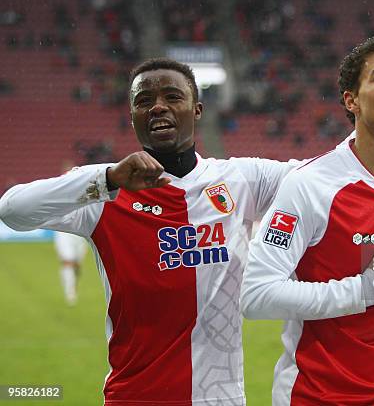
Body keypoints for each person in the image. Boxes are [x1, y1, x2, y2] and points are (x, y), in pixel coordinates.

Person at [0, 58, 297, 405]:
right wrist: (106, 179)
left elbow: (322, 179)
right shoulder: (107, 190)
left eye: (172, 97)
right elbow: (12, 210)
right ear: (133, 118)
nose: (158, 107)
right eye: (144, 101)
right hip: (135, 396)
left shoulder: (242, 179)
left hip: (221, 397)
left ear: (197, 110)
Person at [241, 35, 374, 405]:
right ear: (351, 100)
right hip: (316, 394)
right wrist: (366, 290)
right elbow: (257, 295)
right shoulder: (310, 185)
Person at [54, 230, 87, 305]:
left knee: (77, 265)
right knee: (67, 261)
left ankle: (74, 286)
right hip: (63, 231)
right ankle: (70, 292)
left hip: (80, 232)